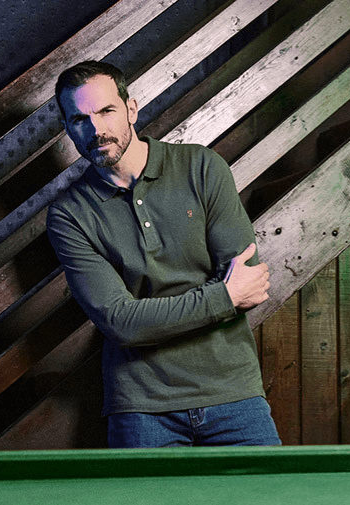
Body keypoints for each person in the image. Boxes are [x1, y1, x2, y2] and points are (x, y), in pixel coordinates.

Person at [46, 60, 281, 448]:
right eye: (79, 119)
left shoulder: (201, 168)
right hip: (141, 407)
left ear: (131, 109)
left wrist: (153, 316)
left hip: (233, 393)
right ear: (68, 128)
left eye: (106, 111)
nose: (96, 129)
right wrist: (223, 296)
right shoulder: (70, 214)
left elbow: (250, 286)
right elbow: (121, 322)